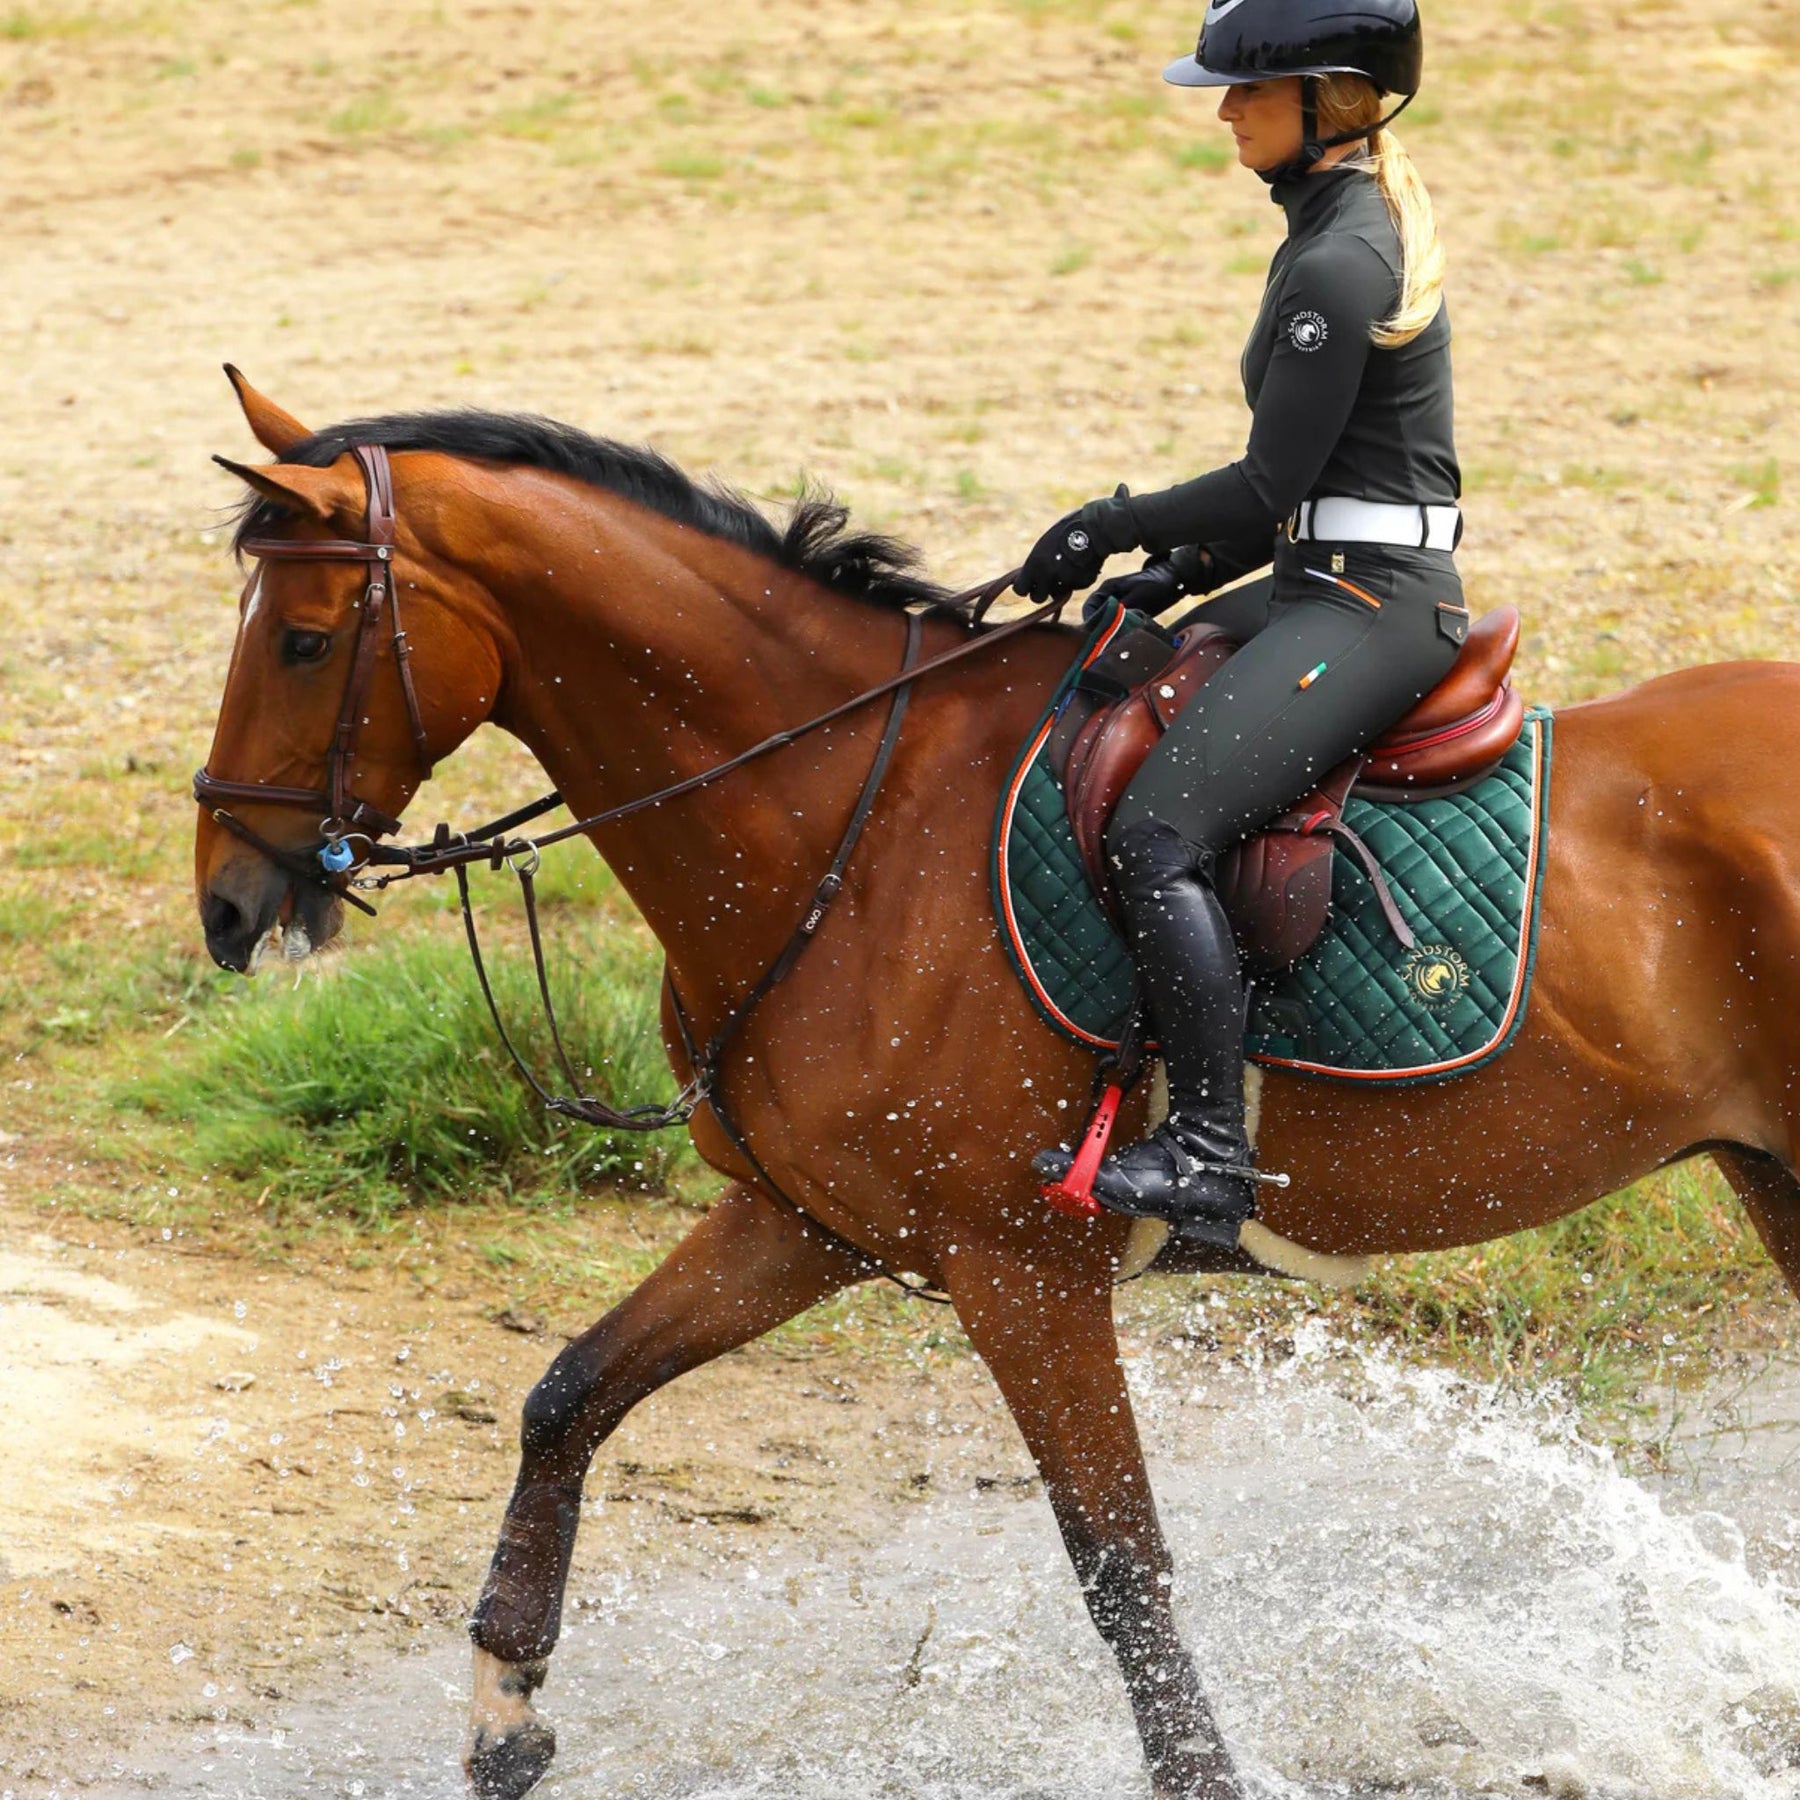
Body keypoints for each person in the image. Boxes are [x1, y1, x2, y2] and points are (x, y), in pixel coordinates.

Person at [1024, 0, 1468, 1246]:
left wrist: (1111, 520)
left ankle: (1211, 1159)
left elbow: (1273, 481)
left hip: (1373, 602)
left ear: (1328, 101)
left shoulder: (1340, 260)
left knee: (1161, 831)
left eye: (1243, 93)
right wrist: (1168, 574)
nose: (1222, 111)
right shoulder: (1326, 231)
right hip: (1317, 572)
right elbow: (1310, 483)